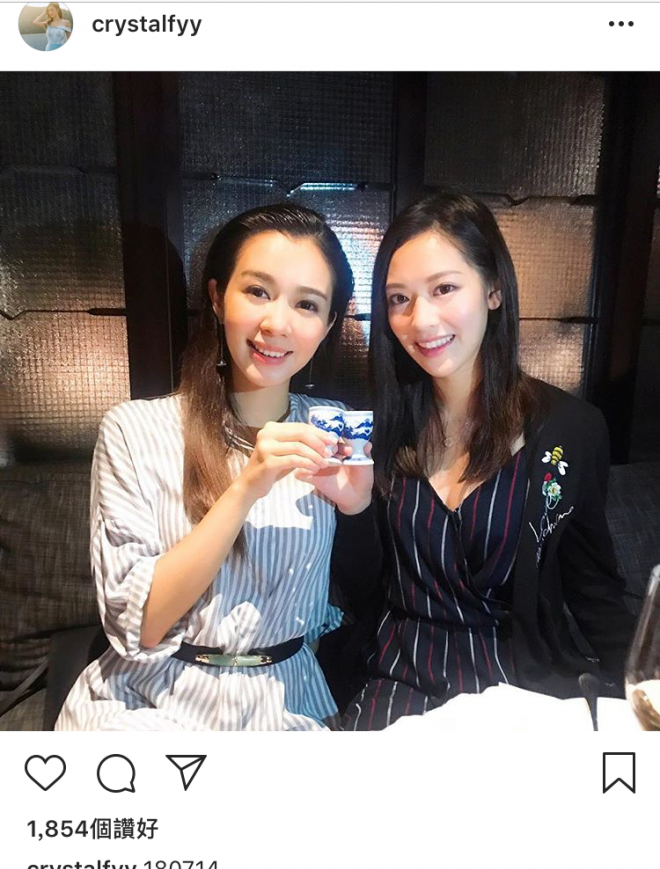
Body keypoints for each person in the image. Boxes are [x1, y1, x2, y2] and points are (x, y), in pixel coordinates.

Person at [56, 203, 373, 731]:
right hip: (150, 702)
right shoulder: (135, 431)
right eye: (258, 291)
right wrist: (245, 488)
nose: (277, 323)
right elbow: (141, 624)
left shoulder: (334, 430)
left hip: (287, 703)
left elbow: (371, 594)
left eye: (307, 304)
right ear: (217, 297)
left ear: (328, 324)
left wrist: (358, 508)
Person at [340, 193, 635, 730]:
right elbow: (361, 587)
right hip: (399, 679)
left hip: (518, 688)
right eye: (399, 298)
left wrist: (644, 684)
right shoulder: (377, 430)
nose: (420, 320)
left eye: (444, 289)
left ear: (494, 288)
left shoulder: (570, 429)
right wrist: (353, 510)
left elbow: (594, 590)